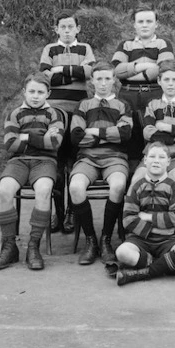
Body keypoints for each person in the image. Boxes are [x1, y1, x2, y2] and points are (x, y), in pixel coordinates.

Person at [0, 72, 65, 271]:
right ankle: (9, 246)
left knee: (43, 190)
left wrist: (24, 137)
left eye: (40, 92)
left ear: (48, 93)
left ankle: (34, 246)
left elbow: (55, 142)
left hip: (45, 161)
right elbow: (9, 144)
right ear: (24, 92)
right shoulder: (15, 114)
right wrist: (41, 139)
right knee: (4, 190)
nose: (35, 96)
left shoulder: (54, 114)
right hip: (18, 162)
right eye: (31, 91)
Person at [69, 62, 132, 265]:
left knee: (118, 185)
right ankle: (90, 240)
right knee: (76, 187)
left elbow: (124, 135)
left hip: (115, 158)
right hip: (87, 158)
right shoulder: (83, 105)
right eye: (99, 79)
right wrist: (107, 135)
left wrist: (94, 132)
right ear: (92, 81)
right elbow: (76, 137)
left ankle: (106, 239)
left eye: (107, 78)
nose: (103, 84)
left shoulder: (123, 105)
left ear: (114, 80)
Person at [39, 9, 96, 234]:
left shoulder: (85, 48)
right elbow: (45, 76)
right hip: (56, 110)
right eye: (62, 27)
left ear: (77, 29)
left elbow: (90, 72)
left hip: (79, 110)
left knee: (75, 159)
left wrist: (60, 70)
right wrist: (76, 73)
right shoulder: (49, 49)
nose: (66, 30)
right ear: (56, 29)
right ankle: (58, 213)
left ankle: (72, 212)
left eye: (70, 27)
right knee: (58, 160)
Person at [111, 141, 175, 285]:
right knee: (122, 253)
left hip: (169, 240)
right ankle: (170, 267)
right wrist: (154, 229)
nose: (156, 161)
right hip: (141, 240)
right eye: (152, 156)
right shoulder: (136, 186)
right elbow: (128, 219)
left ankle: (141, 273)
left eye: (162, 157)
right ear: (145, 160)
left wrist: (148, 217)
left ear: (168, 161)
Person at [112, 2, 175, 168]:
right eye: (140, 22)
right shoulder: (125, 45)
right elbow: (118, 71)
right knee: (131, 137)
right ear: (134, 24)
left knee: (154, 134)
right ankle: (132, 183)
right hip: (127, 95)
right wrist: (142, 67)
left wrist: (131, 72)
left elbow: (163, 67)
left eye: (149, 21)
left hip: (154, 93)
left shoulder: (164, 44)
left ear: (156, 24)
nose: (145, 25)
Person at [128, 59, 175, 200]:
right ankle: (139, 219)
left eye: (174, 79)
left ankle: (173, 221)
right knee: (136, 181)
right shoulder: (152, 104)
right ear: (159, 81)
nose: (171, 83)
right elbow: (148, 133)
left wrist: (167, 127)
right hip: (153, 157)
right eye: (166, 79)